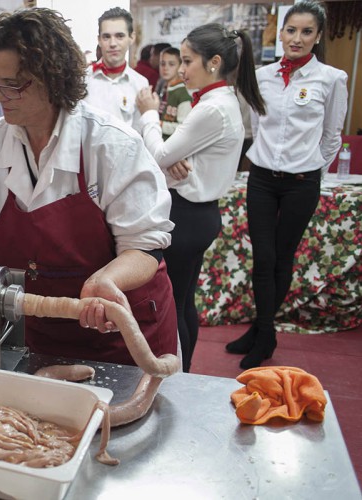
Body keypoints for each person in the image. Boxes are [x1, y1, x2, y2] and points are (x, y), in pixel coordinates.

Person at [0, 8, 178, 367]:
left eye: (15, 83)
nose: (1, 95)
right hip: (37, 338)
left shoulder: (111, 146)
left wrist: (105, 279)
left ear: (54, 77)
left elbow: (145, 249)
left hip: (122, 338)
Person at [135, 24, 266, 372]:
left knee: (172, 304)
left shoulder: (212, 108)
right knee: (182, 301)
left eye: (188, 61)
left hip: (188, 214)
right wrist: (171, 154)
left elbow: (158, 155)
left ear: (214, 62)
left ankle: (179, 377)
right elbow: (170, 154)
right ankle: (186, 372)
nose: (181, 69)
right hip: (199, 212)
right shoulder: (218, 102)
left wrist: (148, 113)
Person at [226, 0, 348, 369]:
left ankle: (263, 334)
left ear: (318, 36)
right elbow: (257, 127)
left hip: (302, 183)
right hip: (262, 179)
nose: (297, 38)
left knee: (282, 258)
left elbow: (331, 137)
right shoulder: (261, 77)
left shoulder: (332, 79)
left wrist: (310, 170)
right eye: (291, 30)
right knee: (262, 258)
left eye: (306, 31)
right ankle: (265, 331)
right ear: (280, 32)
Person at [84, 7, 148, 129]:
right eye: (106, 37)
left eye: (119, 36)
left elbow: (139, 134)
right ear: (99, 40)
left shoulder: (140, 83)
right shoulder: (83, 80)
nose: (113, 43)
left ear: (131, 38)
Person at [157, 47, 192, 140]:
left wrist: (158, 124)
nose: (165, 68)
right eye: (162, 64)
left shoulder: (184, 92)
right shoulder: (162, 88)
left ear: (180, 66)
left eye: (171, 64)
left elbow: (184, 128)